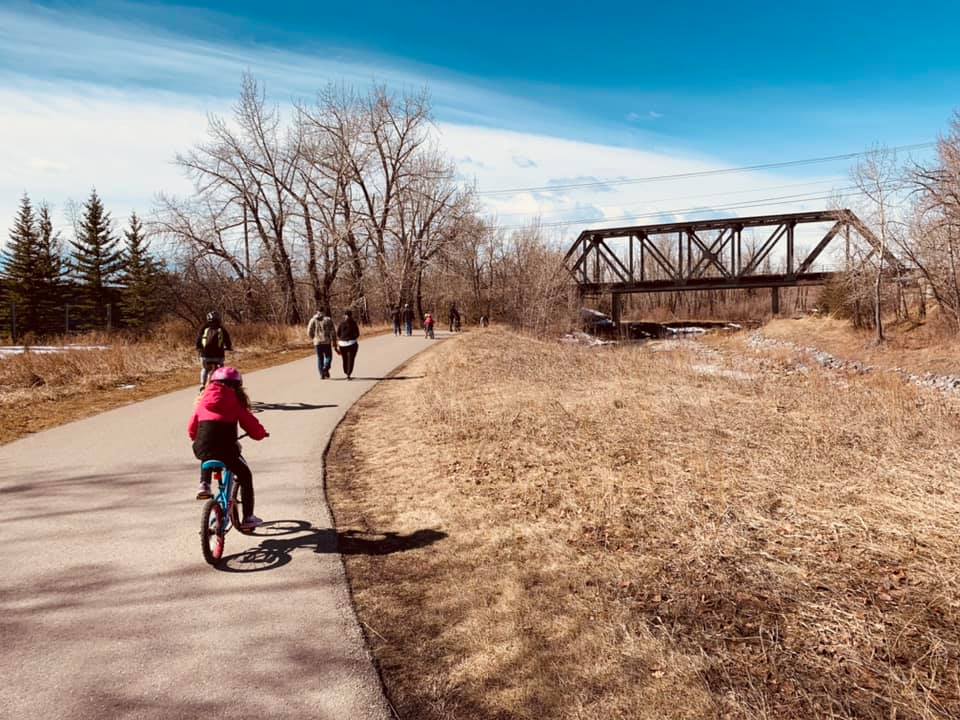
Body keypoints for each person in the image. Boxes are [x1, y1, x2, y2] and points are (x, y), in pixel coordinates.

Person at [189, 367, 269, 530]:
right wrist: (261, 434)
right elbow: (251, 425)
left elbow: (192, 427)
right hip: (227, 449)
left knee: (208, 453)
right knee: (245, 476)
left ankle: (204, 484)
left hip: (202, 446)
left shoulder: (203, 400)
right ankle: (248, 518)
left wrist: (194, 437)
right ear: (237, 385)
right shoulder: (235, 401)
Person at [195, 311, 233, 391]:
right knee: (221, 369)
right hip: (219, 355)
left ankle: (202, 384)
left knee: (205, 369)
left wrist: (199, 348)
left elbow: (198, 339)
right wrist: (229, 347)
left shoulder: (203, 327)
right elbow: (227, 340)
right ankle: (222, 383)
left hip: (205, 355)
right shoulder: (221, 328)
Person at [307, 310, 337, 379]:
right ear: (323, 312)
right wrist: (334, 342)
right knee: (328, 356)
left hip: (317, 342)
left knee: (320, 358)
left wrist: (313, 338)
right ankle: (325, 368)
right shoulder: (328, 320)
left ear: (317, 312)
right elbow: (333, 332)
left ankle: (322, 374)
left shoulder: (312, 320)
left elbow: (309, 331)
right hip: (326, 341)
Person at [336, 309, 360, 380]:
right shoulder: (353, 323)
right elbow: (357, 333)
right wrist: (353, 338)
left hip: (342, 344)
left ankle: (346, 371)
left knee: (345, 359)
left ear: (344, 316)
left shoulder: (341, 323)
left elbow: (338, 333)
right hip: (352, 343)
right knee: (351, 359)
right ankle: (348, 374)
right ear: (351, 315)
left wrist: (341, 338)